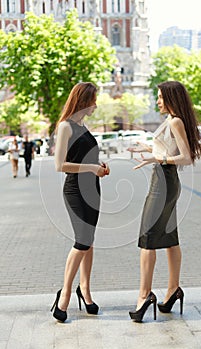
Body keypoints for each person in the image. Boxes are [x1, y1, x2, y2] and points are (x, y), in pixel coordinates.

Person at [128, 81, 201, 322]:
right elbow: (167, 149)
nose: (157, 101)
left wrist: (157, 158)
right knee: (169, 237)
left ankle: (143, 296)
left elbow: (186, 157)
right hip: (164, 182)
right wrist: (148, 147)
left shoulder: (175, 121)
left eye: (160, 97)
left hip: (163, 184)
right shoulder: (171, 120)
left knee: (147, 239)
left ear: (171, 98)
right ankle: (172, 291)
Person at [51, 82, 110, 322]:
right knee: (82, 241)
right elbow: (60, 165)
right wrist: (91, 168)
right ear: (84, 100)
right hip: (75, 190)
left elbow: (89, 158)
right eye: (93, 100)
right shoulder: (65, 127)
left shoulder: (83, 127)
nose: (96, 105)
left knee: (89, 241)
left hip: (93, 189)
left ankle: (85, 291)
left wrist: (101, 166)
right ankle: (64, 294)